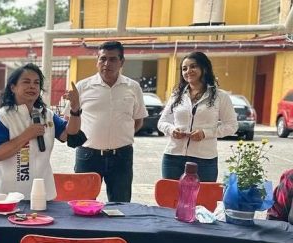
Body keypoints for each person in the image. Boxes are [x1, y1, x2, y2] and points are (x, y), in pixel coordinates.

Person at [0, 64, 81, 243]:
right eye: (25, 82)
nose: (32, 87)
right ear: (13, 87)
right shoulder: (2, 117)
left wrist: (76, 108)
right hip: (8, 195)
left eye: (36, 83)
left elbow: (70, 135)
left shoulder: (47, 115)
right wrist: (26, 135)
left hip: (40, 193)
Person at [72, 41, 148, 202]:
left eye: (113, 59)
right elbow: (71, 119)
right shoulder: (82, 87)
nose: (107, 64)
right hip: (88, 156)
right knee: (82, 204)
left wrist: (119, 136)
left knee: (120, 206)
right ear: (97, 61)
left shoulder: (133, 88)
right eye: (103, 59)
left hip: (121, 156)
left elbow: (138, 120)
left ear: (122, 62)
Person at [158, 52, 238, 182]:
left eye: (193, 66)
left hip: (204, 160)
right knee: (170, 200)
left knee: (202, 200)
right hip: (173, 157)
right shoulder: (177, 95)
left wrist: (205, 133)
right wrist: (172, 130)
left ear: (204, 69)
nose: (188, 71)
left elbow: (232, 126)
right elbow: (162, 122)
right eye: (184, 68)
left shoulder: (220, 97)